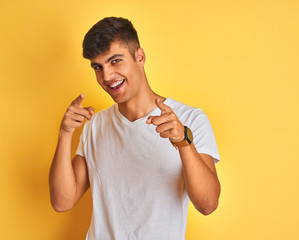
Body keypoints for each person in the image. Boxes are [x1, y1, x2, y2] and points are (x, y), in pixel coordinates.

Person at [49, 17, 220, 240]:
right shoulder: (95, 126)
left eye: (115, 61)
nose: (107, 76)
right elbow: (63, 201)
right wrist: (65, 134)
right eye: (98, 67)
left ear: (139, 57)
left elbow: (208, 204)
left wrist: (183, 142)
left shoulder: (189, 119)